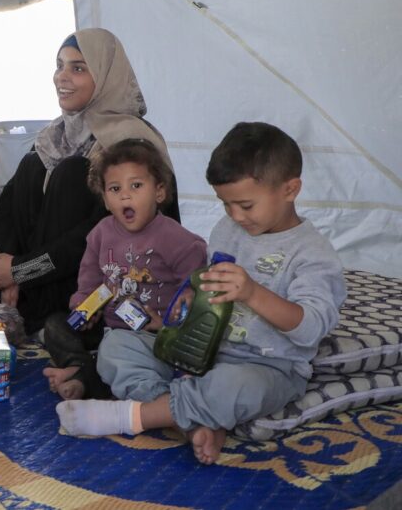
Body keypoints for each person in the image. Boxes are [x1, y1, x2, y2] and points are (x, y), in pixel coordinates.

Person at [57, 122, 346, 466]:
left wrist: (252, 293)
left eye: (246, 205)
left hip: (266, 366)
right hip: (200, 357)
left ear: (290, 189)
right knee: (117, 346)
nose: (235, 216)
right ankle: (195, 423)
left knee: (233, 387)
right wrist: (190, 298)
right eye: (226, 205)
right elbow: (205, 286)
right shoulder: (228, 229)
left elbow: (312, 326)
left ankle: (135, 417)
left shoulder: (312, 253)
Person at [0, 28, 181, 339]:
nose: (61, 77)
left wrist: (21, 269)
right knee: (30, 164)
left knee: (71, 172)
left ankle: (53, 315)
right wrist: (7, 271)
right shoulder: (56, 135)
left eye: (77, 68)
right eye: (59, 65)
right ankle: (25, 302)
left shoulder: (131, 144)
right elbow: (8, 203)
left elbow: (98, 235)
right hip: (39, 277)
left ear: (106, 76)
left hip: (116, 281)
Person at [44, 138, 207, 400]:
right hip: (109, 327)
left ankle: (89, 378)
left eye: (136, 185)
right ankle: (80, 366)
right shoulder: (100, 234)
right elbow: (89, 279)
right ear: (106, 200)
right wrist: (85, 307)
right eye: (115, 188)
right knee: (54, 326)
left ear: (159, 192)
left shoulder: (178, 240)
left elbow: (196, 292)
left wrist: (167, 325)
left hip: (153, 336)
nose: (125, 195)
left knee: (117, 354)